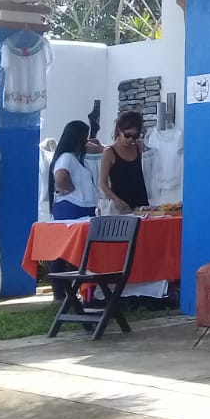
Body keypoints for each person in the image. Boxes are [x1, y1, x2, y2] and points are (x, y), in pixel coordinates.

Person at [48, 120, 99, 304]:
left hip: (81, 207)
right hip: (72, 207)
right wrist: (70, 189)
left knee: (76, 250)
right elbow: (61, 178)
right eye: (84, 138)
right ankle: (60, 291)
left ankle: (74, 290)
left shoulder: (76, 158)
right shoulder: (67, 157)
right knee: (64, 250)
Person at [100, 111, 150, 214]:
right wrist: (116, 200)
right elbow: (103, 183)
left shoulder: (138, 147)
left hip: (141, 204)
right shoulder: (109, 152)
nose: (130, 139)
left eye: (134, 136)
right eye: (127, 135)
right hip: (121, 205)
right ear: (119, 131)